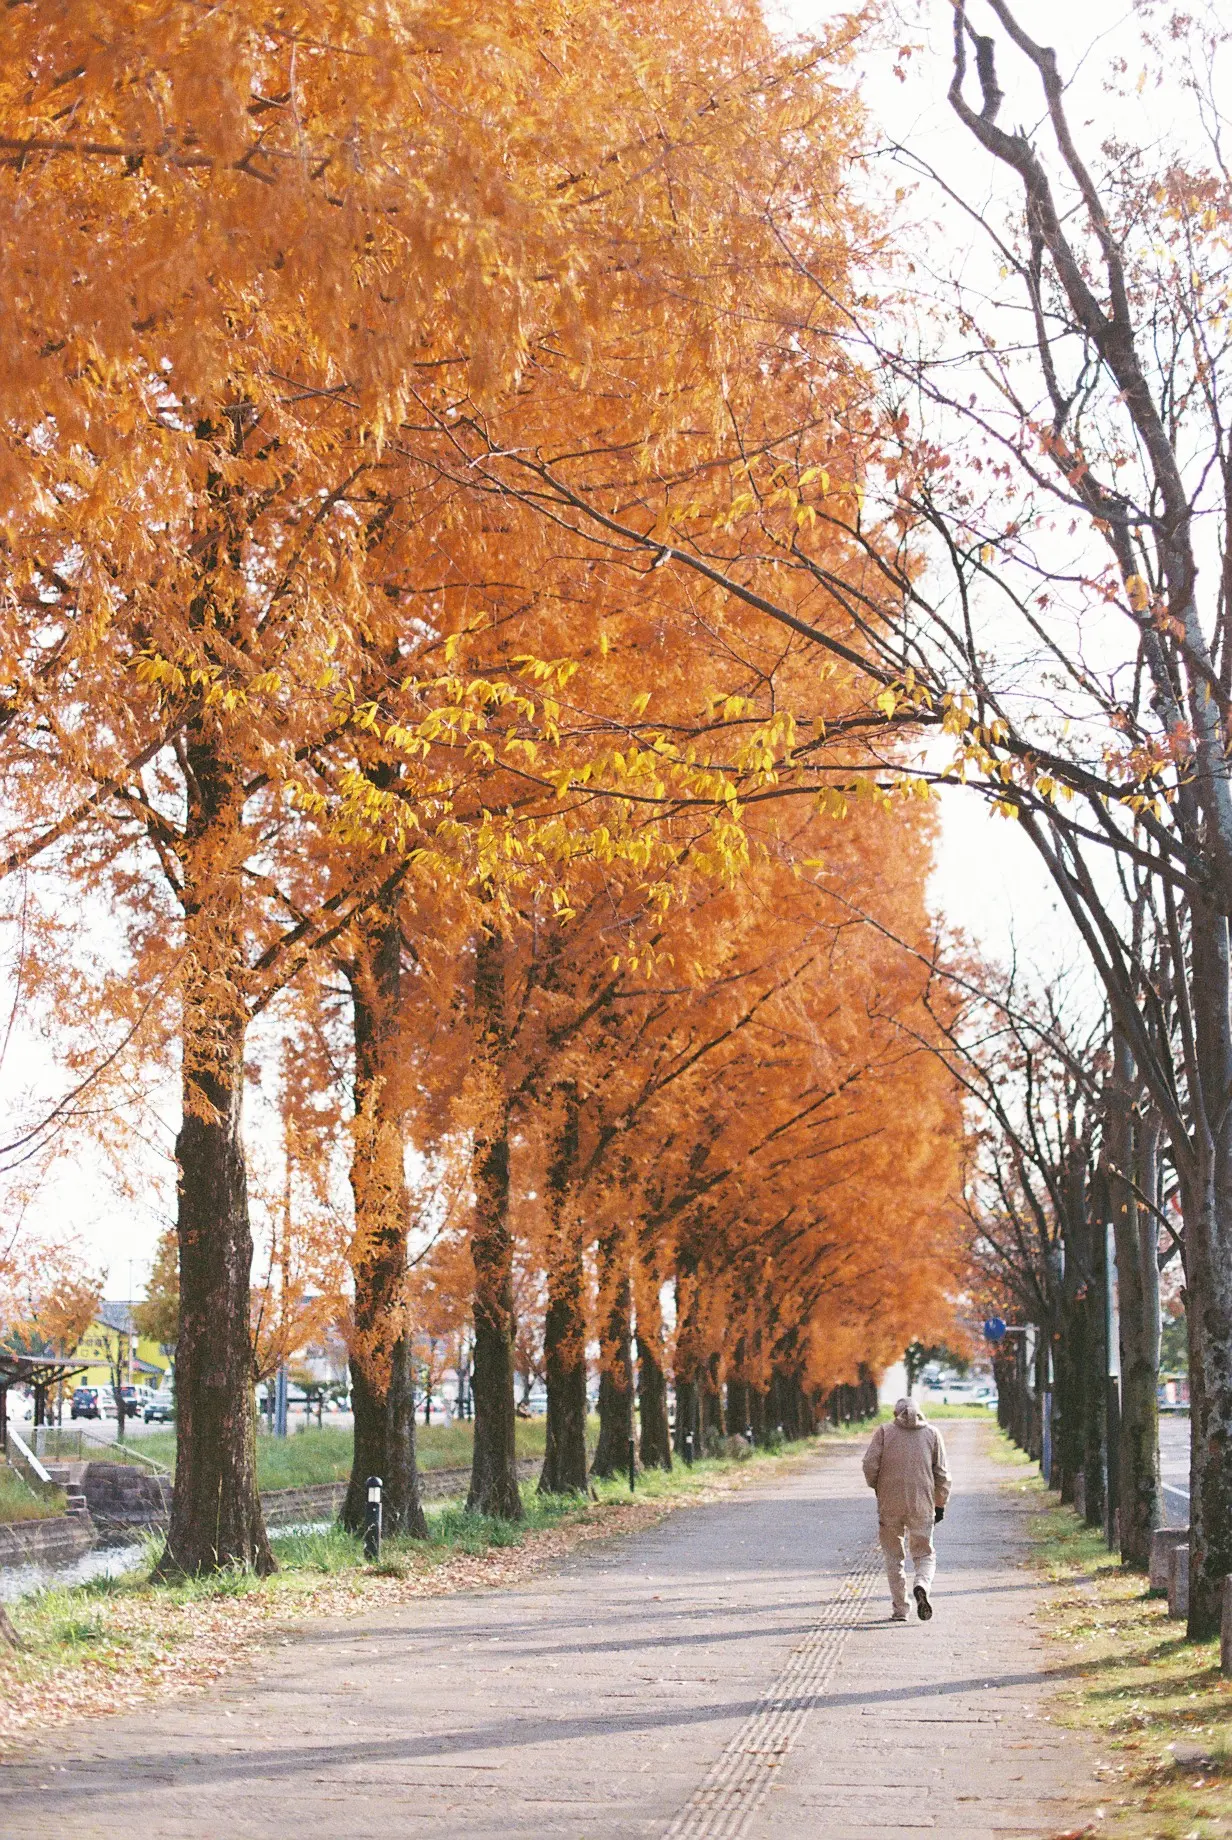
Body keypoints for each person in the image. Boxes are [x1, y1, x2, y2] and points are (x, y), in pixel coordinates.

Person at [862, 1396, 951, 1622]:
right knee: (924, 1553)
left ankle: (900, 1609)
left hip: (889, 1504)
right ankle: (921, 1584)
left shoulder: (884, 1433)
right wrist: (940, 1503)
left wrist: (878, 1487)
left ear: (895, 1414)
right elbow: (942, 1474)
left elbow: (869, 1465)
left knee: (893, 1557)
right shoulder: (932, 1434)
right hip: (922, 1503)